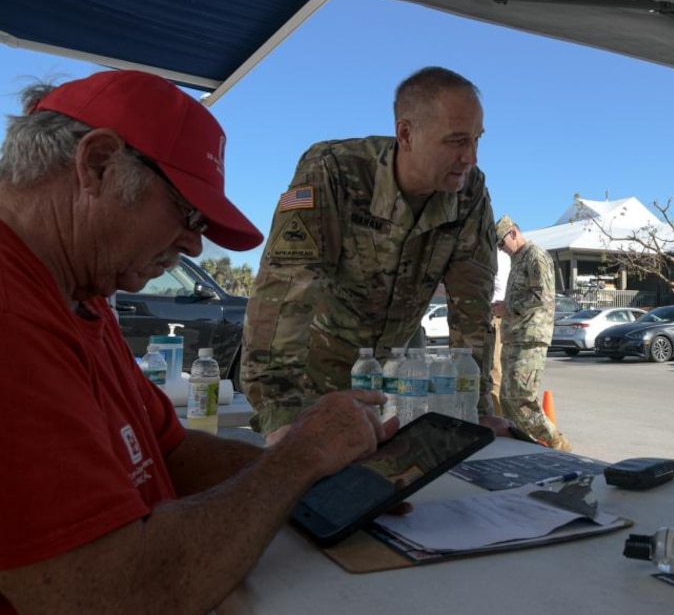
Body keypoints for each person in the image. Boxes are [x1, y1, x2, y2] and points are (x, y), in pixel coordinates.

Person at [0, 70, 395, 614]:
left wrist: (325, 477)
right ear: (95, 164)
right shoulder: (12, 310)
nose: (194, 246)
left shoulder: (78, 293)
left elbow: (172, 453)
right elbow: (113, 594)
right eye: (188, 214)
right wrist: (298, 458)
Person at [242, 66, 499, 439]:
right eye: (457, 141)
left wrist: (475, 412)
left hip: (397, 390)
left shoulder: (469, 193)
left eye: (477, 139)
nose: (471, 158)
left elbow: (472, 309)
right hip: (315, 389)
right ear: (406, 134)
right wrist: (280, 417)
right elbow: (283, 293)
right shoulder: (333, 172)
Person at [495, 215, 571, 450]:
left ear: (514, 233)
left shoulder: (535, 255)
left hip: (530, 337)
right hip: (514, 336)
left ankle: (556, 443)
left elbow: (542, 297)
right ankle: (526, 446)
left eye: (501, 242)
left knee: (522, 398)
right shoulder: (517, 259)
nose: (501, 248)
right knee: (508, 399)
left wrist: (507, 307)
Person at [489, 248, 511, 414]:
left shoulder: (498, 256)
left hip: (495, 315)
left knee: (495, 371)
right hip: (495, 315)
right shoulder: (504, 256)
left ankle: (499, 416)